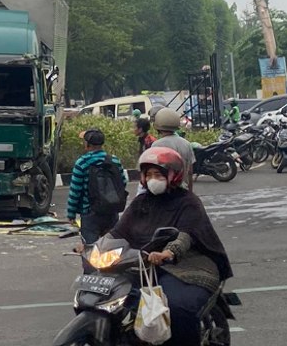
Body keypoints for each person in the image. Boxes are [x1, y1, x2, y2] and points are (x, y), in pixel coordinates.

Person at [103, 147, 233, 346]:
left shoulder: (188, 202)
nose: (153, 178)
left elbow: (186, 235)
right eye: (149, 174)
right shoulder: (141, 202)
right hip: (144, 264)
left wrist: (169, 252)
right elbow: (117, 232)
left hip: (188, 265)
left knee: (177, 307)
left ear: (173, 175)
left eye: (158, 174)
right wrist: (94, 246)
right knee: (112, 298)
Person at [67, 128, 126, 244]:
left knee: (91, 251)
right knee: (111, 248)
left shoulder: (82, 163)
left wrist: (71, 214)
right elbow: (122, 183)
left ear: (87, 144)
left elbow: (75, 191)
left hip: (89, 212)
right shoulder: (114, 160)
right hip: (111, 210)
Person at [152, 108, 196, 192]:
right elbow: (190, 172)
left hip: (165, 193)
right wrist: (190, 193)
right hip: (184, 191)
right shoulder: (186, 144)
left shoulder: (156, 145)